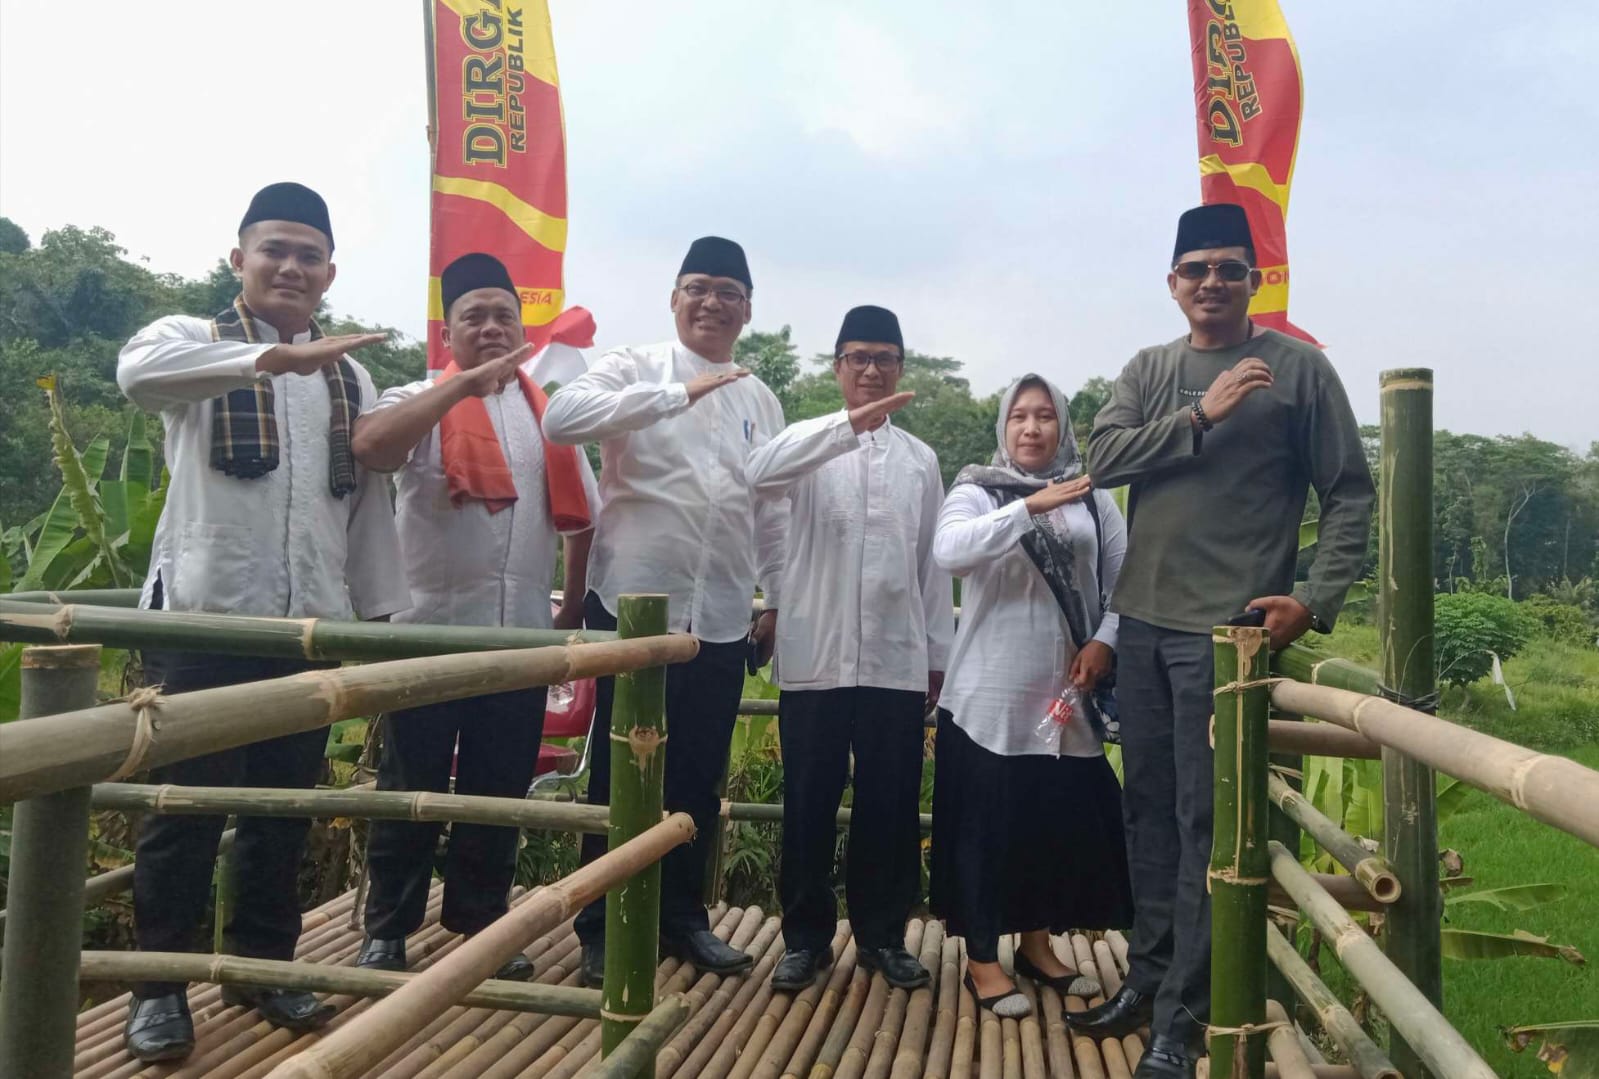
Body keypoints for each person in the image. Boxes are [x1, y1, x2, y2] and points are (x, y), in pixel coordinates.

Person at [1070, 204, 1374, 1079]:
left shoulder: (1300, 372)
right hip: (1144, 623)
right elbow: (1107, 456)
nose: (1211, 282)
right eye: (1195, 267)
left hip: (1228, 638)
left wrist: (1313, 600)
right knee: (1150, 815)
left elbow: (1348, 493)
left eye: (1229, 268)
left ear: (1254, 280)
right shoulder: (1150, 368)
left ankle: (1184, 1019)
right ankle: (1150, 979)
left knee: (1209, 824)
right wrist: (1198, 414)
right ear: (1172, 283)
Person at [115, 182, 411, 1062]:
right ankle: (159, 987)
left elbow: (365, 507)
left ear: (328, 273)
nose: (290, 266)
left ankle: (261, 963)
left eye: (308, 254)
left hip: (306, 626)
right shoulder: (190, 342)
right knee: (183, 811)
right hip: (205, 618)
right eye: (273, 249)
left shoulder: (351, 374)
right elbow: (134, 377)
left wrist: (377, 617)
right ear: (238, 256)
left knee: (283, 806)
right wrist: (268, 363)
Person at [543, 236, 788, 986]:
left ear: (748, 308)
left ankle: (682, 917)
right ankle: (598, 921)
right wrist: (675, 395)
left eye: (729, 292)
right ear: (675, 297)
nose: (712, 302)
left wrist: (772, 595)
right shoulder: (633, 366)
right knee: (620, 774)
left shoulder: (760, 395)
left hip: (718, 612)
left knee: (695, 773)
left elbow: (770, 504)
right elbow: (562, 418)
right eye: (699, 287)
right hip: (635, 610)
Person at [348, 252, 598, 978]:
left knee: (498, 788)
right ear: (448, 329)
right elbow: (371, 449)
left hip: (519, 634)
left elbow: (583, 517)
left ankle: (480, 923)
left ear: (522, 326)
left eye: (503, 316)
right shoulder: (416, 395)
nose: (490, 328)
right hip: (425, 633)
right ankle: (387, 927)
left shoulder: (547, 412)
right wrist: (456, 388)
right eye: (474, 317)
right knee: (409, 785)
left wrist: (574, 601)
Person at [746, 306, 954, 992]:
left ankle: (883, 935)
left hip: (895, 660)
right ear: (836, 367)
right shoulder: (804, 443)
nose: (870, 370)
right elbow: (757, 474)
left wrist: (935, 654)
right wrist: (844, 429)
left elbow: (931, 565)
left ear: (902, 367)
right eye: (857, 357)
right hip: (815, 653)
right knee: (807, 798)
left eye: (884, 358)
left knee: (889, 802)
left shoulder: (921, 460)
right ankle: (804, 938)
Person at [928, 373, 1133, 1019]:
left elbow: (1122, 585)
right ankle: (982, 960)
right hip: (988, 696)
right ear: (1003, 426)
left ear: (1062, 425)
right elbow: (949, 552)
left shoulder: (1094, 500)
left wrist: (1103, 640)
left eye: (1045, 415)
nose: (1032, 427)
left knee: (1051, 827)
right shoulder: (976, 490)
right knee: (986, 830)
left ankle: (1036, 946)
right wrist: (1029, 506)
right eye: (1019, 415)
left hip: (1067, 697)